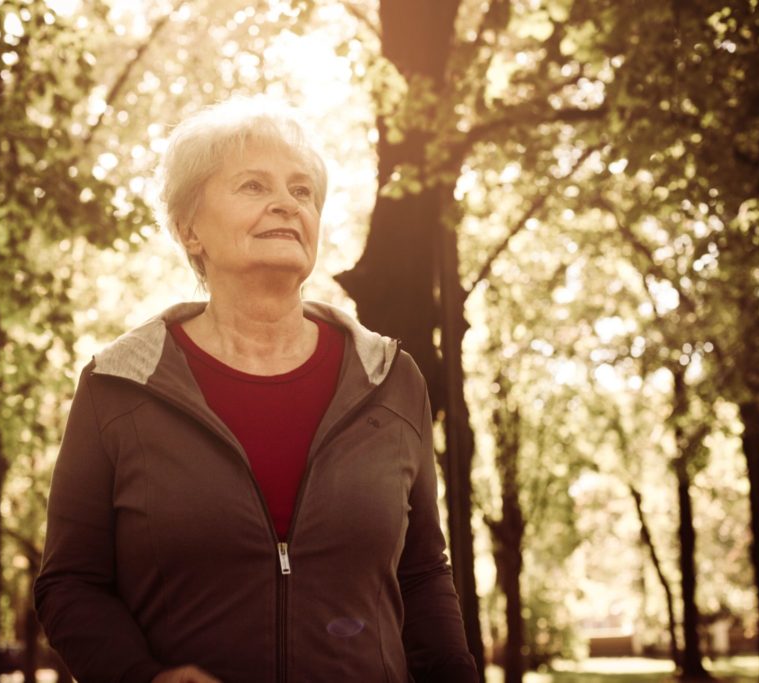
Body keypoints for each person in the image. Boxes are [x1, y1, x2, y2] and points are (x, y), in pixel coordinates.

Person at [34, 98, 478, 683]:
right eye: (253, 185)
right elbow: (71, 582)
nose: (285, 204)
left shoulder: (391, 378)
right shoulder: (117, 385)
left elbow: (422, 572)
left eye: (302, 191)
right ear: (189, 229)